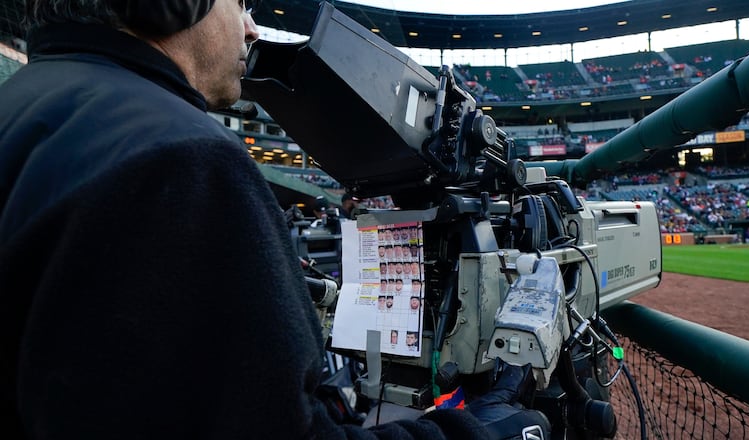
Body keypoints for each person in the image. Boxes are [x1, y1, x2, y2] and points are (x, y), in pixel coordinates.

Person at [0, 1, 549, 439]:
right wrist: (477, 430)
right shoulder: (180, 156)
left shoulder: (27, 108)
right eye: (241, 3)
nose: (253, 30)